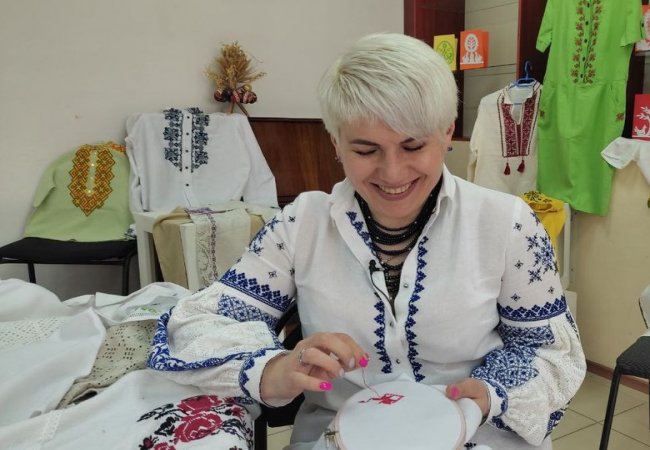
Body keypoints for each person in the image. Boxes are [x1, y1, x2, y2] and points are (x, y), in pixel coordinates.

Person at [148, 32, 586, 449]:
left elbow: (550, 350)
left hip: (479, 433)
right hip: (338, 436)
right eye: (365, 150)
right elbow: (200, 323)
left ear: (447, 132)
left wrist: (491, 395)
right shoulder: (303, 224)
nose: (393, 173)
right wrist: (275, 368)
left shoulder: (506, 223)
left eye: (413, 146)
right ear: (336, 142)